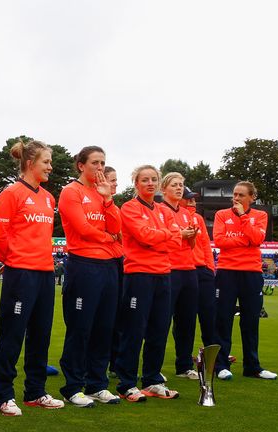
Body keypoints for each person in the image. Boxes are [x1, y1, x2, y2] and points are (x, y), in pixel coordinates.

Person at [0, 140, 65, 416]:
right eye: (46, 162)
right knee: (12, 335)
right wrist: (14, 261)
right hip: (21, 274)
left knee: (40, 336)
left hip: (45, 274)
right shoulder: (11, 194)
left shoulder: (47, 197)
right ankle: (3, 394)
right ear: (30, 163)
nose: (50, 167)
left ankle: (35, 391)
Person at [57, 147, 122, 407]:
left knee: (104, 328)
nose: (100, 167)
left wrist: (107, 200)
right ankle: (72, 386)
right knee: (80, 327)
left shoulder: (102, 193)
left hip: (108, 266)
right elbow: (82, 228)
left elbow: (117, 227)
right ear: (80, 165)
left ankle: (98, 384)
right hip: (83, 264)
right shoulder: (71, 191)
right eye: (95, 162)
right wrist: (107, 237)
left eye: (103, 163)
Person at [113, 165, 182, 402]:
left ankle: (152, 380)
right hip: (138, 275)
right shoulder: (129, 208)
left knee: (159, 330)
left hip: (164, 274)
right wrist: (165, 234)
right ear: (136, 184)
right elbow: (145, 237)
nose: (150, 183)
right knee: (134, 330)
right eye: (145, 180)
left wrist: (159, 235)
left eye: (154, 179)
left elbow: (175, 243)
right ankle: (126, 383)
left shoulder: (165, 210)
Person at [213, 181, 277, 380]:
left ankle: (252, 367)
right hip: (227, 272)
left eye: (241, 195)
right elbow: (220, 241)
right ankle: (221, 365)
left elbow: (257, 239)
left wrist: (242, 217)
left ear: (252, 198)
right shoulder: (222, 215)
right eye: (235, 194)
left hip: (251, 273)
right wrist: (245, 240)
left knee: (250, 321)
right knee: (223, 320)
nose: (236, 199)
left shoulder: (260, 215)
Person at [159, 173, 201, 380]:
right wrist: (179, 235)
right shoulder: (159, 211)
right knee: (161, 321)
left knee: (187, 321)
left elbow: (192, 245)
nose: (179, 188)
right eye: (174, 185)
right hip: (168, 269)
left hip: (189, 269)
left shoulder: (187, 213)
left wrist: (190, 237)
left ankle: (184, 365)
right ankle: (154, 367)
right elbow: (159, 241)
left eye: (181, 185)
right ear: (163, 189)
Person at [181, 187, 217, 351]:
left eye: (193, 199)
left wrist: (210, 268)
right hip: (184, 270)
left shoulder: (198, 218)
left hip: (203, 271)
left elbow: (205, 246)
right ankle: (184, 360)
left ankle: (213, 357)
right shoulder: (171, 216)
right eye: (188, 199)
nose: (192, 202)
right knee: (185, 319)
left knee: (209, 316)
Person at [104, 166, 124, 377]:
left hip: (119, 261)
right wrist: (113, 236)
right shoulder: (100, 205)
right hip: (104, 262)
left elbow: (120, 235)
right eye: (113, 180)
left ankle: (114, 363)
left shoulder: (115, 208)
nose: (116, 184)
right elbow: (114, 234)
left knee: (117, 319)